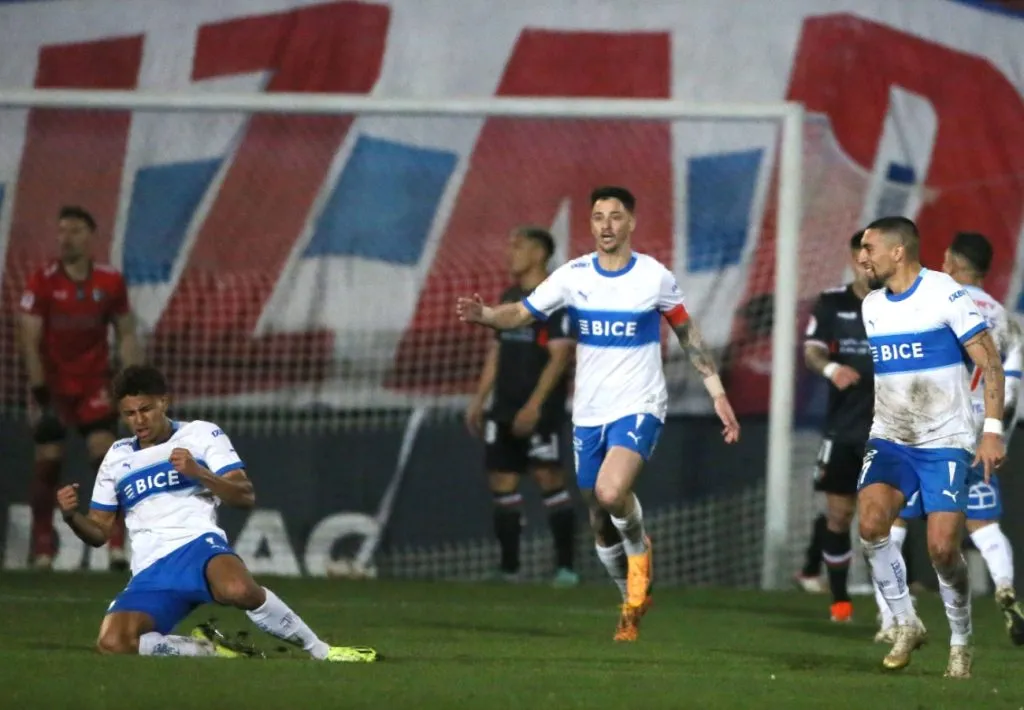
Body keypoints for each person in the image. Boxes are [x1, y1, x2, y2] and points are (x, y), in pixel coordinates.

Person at [457, 186, 740, 641]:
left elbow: (688, 334)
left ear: (630, 223)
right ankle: (629, 600)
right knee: (598, 517)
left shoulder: (653, 277)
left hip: (640, 403)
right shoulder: (574, 276)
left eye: (615, 216)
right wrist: (486, 314)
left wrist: (717, 392)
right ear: (590, 225)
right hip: (589, 411)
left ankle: (639, 552)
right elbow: (522, 313)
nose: (606, 225)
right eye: (598, 217)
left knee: (611, 492)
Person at [55, 365, 378, 662]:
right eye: (129, 414)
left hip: (197, 547)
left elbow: (244, 495)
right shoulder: (117, 456)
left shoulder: (200, 434)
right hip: (150, 569)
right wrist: (72, 517)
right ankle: (204, 648)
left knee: (239, 590)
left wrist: (200, 473)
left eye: (146, 409)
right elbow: (99, 531)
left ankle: (321, 651)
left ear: (164, 402)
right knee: (113, 643)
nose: (139, 420)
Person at [857, 216, 1005, 679]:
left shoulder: (945, 293)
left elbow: (990, 359)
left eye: (869, 247)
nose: (862, 257)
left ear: (898, 252)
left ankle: (960, 640)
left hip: (945, 440)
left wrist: (992, 430)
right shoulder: (873, 306)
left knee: (943, 548)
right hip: (891, 436)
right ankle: (906, 621)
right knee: (870, 524)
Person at [18, 205, 140, 571]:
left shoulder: (109, 281)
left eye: (73, 231)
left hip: (94, 384)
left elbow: (127, 332)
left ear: (89, 236)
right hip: (54, 387)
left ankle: (116, 544)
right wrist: (39, 388)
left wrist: (132, 382)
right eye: (61, 231)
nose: (65, 238)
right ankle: (43, 549)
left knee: (104, 459)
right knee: (48, 463)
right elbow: (28, 335)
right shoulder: (42, 281)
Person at [465, 226, 577, 586]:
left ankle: (566, 569)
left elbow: (560, 357)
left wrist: (534, 406)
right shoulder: (511, 296)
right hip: (504, 406)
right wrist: (480, 399)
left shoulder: (555, 297)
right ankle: (509, 570)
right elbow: (498, 351)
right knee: (502, 480)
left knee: (548, 478)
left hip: (538, 408)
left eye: (519, 246)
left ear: (539, 253)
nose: (510, 252)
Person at [802, 231, 874, 622]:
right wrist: (831, 368)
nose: (866, 259)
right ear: (851, 256)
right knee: (839, 515)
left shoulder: (900, 302)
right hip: (844, 428)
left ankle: (890, 606)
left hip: (889, 428)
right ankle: (840, 601)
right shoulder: (833, 302)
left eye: (873, 251)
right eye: (861, 252)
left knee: (883, 521)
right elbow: (811, 349)